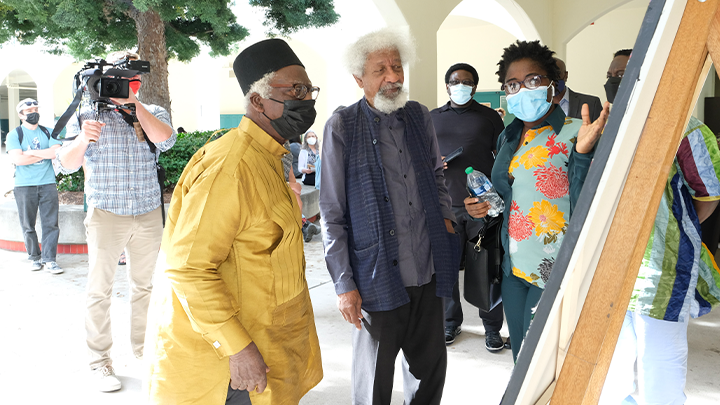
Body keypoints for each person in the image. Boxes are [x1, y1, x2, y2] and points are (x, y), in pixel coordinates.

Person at [144, 38, 323, 405]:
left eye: (309, 90)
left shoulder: (270, 156)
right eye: (295, 90)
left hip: (270, 344)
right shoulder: (231, 168)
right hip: (229, 366)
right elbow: (190, 268)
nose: (306, 101)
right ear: (257, 101)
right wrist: (238, 349)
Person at [320, 28, 459, 404]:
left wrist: (445, 221)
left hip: (427, 270)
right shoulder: (342, 126)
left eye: (396, 66)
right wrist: (343, 284)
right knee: (374, 385)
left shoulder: (417, 116)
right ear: (358, 79)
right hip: (376, 277)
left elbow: (435, 174)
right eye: (380, 69)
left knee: (429, 374)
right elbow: (331, 212)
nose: (393, 77)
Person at [465, 40, 609, 362]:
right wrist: (481, 206)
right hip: (514, 266)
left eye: (532, 80)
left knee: (545, 362)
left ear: (552, 86)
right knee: (521, 358)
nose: (522, 89)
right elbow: (507, 195)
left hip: (555, 265)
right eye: (512, 84)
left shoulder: (577, 132)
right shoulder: (508, 137)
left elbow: (589, 198)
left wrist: (584, 155)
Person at [599, 49, 720, 405]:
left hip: (662, 269)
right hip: (610, 264)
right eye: (611, 74)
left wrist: (669, 227)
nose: (614, 80)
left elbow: (708, 195)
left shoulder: (685, 128)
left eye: (623, 73)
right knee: (612, 359)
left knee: (660, 361)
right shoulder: (607, 126)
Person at [56, 50, 176, 392]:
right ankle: (100, 362)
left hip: (148, 211)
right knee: (99, 290)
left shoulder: (151, 111)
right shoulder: (87, 113)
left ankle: (144, 352)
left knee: (145, 287)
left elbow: (166, 141)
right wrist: (82, 138)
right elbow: (64, 165)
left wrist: (133, 104)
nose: (120, 85)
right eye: (115, 79)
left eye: (127, 80)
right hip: (106, 213)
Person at [430, 63, 506, 350]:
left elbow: (502, 156)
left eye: (467, 82)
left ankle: (492, 327)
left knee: (485, 268)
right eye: (455, 81)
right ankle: (450, 323)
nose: (460, 85)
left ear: (475, 86)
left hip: (480, 205)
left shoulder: (488, 118)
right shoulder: (432, 118)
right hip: (444, 206)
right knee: (446, 269)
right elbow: (418, 158)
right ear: (446, 85)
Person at [5, 98, 63, 274]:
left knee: (51, 224)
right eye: (29, 112)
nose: (33, 113)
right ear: (21, 115)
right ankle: (34, 257)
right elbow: (18, 159)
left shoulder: (49, 132)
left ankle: (50, 260)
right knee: (27, 225)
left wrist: (30, 153)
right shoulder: (14, 135)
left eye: (35, 110)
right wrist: (44, 155)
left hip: (47, 183)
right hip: (24, 186)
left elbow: (56, 152)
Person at [552, 58, 603, 122]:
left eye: (556, 74)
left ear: (566, 75)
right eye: (548, 75)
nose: (552, 79)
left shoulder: (592, 104)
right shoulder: (536, 105)